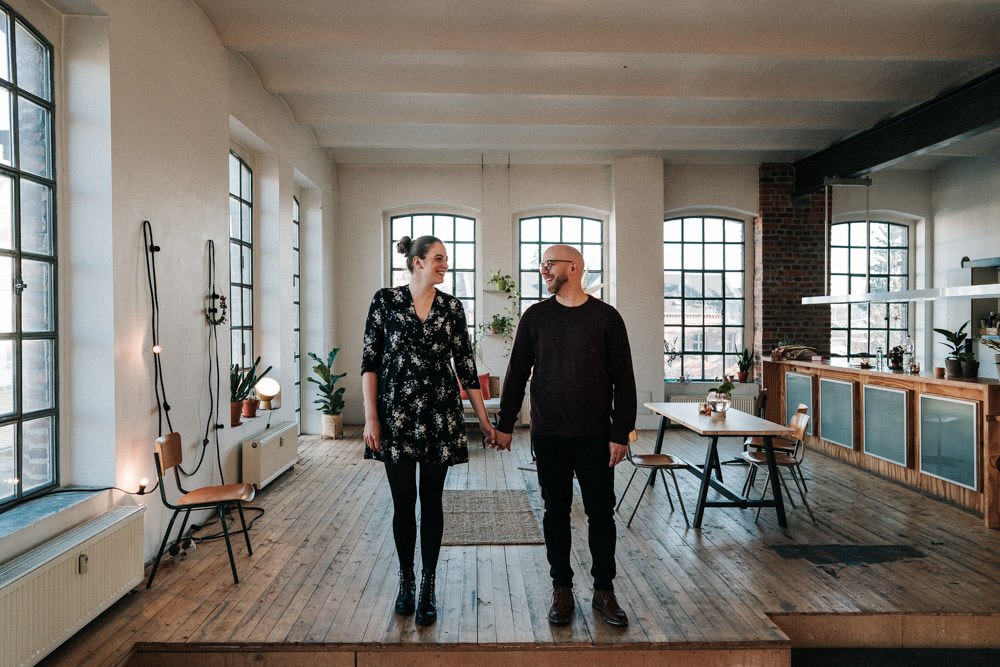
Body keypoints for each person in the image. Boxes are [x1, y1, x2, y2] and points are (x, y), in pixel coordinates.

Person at [494, 244, 636, 628]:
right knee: (555, 512)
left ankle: (604, 590)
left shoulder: (607, 318)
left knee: (601, 514)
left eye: (548, 264)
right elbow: (517, 371)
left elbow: (624, 379)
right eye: (541, 264)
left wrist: (620, 432)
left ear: (573, 267)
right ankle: (562, 589)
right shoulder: (535, 317)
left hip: (596, 435)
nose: (542, 270)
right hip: (550, 433)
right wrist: (506, 424)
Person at [361, 235, 496, 626]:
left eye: (446, 260)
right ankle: (405, 579)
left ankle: (428, 584)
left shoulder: (453, 309)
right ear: (417, 262)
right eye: (438, 259)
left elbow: (466, 370)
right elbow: (370, 363)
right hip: (395, 417)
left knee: (432, 502)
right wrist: (372, 418)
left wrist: (485, 422)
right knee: (403, 504)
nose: (445, 265)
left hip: (440, 416)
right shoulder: (385, 301)